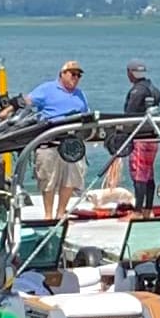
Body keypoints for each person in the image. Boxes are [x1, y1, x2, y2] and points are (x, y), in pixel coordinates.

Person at [25, 57, 92, 208]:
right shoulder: (47, 88)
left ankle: (61, 212)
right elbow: (28, 101)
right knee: (48, 180)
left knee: (70, 180)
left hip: (72, 143)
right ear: (62, 74)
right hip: (49, 142)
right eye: (72, 74)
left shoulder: (80, 94)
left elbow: (87, 114)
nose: (75, 78)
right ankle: (48, 215)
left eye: (78, 75)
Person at [123, 62, 160, 214]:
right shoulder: (154, 90)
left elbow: (129, 115)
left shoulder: (136, 91)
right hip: (152, 136)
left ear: (130, 73)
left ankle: (138, 211)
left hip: (139, 135)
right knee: (149, 173)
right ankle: (148, 208)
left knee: (139, 173)